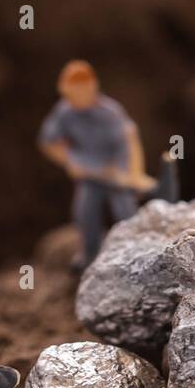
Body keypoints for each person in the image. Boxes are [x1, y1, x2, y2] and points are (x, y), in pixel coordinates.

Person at [38, 60, 155, 271]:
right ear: (64, 90)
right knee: (85, 212)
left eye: (83, 89)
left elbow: (130, 139)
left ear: (93, 87)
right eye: (73, 91)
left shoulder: (110, 113)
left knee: (125, 211)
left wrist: (133, 174)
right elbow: (48, 142)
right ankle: (90, 256)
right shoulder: (64, 113)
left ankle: (137, 254)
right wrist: (70, 159)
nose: (78, 96)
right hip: (90, 176)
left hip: (117, 170)